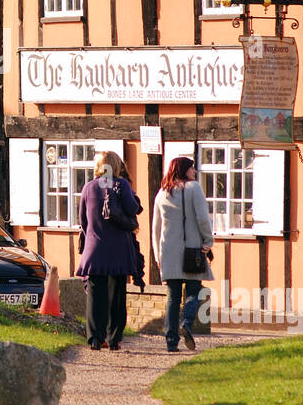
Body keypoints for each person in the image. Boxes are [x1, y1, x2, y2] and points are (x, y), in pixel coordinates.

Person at [76, 150, 143, 351]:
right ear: (116, 165)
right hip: (119, 249)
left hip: (94, 247)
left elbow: (83, 221)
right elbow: (132, 210)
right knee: (117, 296)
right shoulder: (121, 184)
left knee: (95, 296)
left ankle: (96, 339)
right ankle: (115, 338)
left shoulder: (88, 187)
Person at [151, 155, 215, 353]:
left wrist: (157, 256)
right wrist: (208, 241)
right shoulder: (193, 188)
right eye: (192, 168)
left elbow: (156, 228)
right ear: (184, 170)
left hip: (168, 252)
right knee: (194, 291)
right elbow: (202, 218)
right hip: (192, 250)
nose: (194, 172)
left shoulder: (162, 193)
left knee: (172, 297)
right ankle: (186, 323)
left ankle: (171, 341)